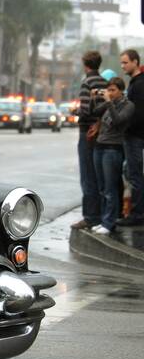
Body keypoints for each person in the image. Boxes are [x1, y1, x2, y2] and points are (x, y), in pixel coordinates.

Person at [90, 77, 135, 235]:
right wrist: (94, 98)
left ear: (121, 91)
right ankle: (104, 220)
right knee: (102, 187)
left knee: (110, 189)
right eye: (108, 90)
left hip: (113, 149)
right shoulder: (109, 104)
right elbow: (94, 112)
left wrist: (109, 102)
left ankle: (109, 223)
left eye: (113, 90)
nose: (110, 93)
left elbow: (118, 122)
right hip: (99, 147)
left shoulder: (128, 106)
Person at [73, 51, 108, 230]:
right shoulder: (104, 82)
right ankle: (101, 214)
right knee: (99, 175)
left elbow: (86, 110)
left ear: (85, 64)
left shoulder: (87, 82)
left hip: (86, 133)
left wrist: (75, 112)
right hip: (101, 132)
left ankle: (90, 216)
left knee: (87, 176)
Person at [119, 49, 144, 226]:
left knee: (135, 176)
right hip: (133, 135)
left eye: (126, 62)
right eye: (122, 62)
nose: (123, 66)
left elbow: (138, 113)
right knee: (132, 173)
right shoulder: (135, 82)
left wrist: (126, 127)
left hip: (135, 136)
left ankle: (137, 214)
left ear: (135, 62)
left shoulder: (139, 84)